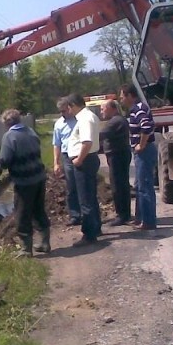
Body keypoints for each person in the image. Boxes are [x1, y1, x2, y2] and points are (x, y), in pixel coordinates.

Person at [0, 109, 50, 257]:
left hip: (24, 181)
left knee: (22, 214)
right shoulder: (31, 131)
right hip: (39, 177)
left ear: (7, 123)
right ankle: (45, 243)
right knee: (39, 210)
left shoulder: (10, 137)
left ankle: (26, 249)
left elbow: (4, 161)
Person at [120, 84, 157, 230]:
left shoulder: (139, 109)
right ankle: (140, 218)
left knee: (145, 187)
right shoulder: (136, 109)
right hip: (142, 152)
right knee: (139, 185)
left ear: (130, 95)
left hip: (144, 152)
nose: (121, 100)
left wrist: (141, 145)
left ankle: (148, 222)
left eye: (122, 96)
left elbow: (147, 127)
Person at [67, 93, 102, 246]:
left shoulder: (85, 118)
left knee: (85, 199)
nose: (68, 111)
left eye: (69, 107)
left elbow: (86, 142)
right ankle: (96, 227)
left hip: (85, 161)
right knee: (91, 196)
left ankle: (89, 234)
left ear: (73, 105)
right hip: (89, 159)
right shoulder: (89, 116)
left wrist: (79, 160)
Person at [99, 99, 132, 226]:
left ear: (112, 109)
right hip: (118, 155)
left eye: (103, 109)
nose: (101, 111)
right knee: (121, 185)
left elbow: (101, 135)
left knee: (118, 186)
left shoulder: (116, 121)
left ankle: (122, 215)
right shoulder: (117, 121)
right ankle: (125, 213)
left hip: (118, 156)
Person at [52, 97, 81, 226]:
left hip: (81, 154)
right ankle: (75, 215)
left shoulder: (80, 120)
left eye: (64, 110)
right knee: (71, 186)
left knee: (84, 185)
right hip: (67, 156)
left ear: (70, 107)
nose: (63, 114)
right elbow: (56, 144)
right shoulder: (59, 124)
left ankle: (87, 214)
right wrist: (56, 163)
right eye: (61, 112)